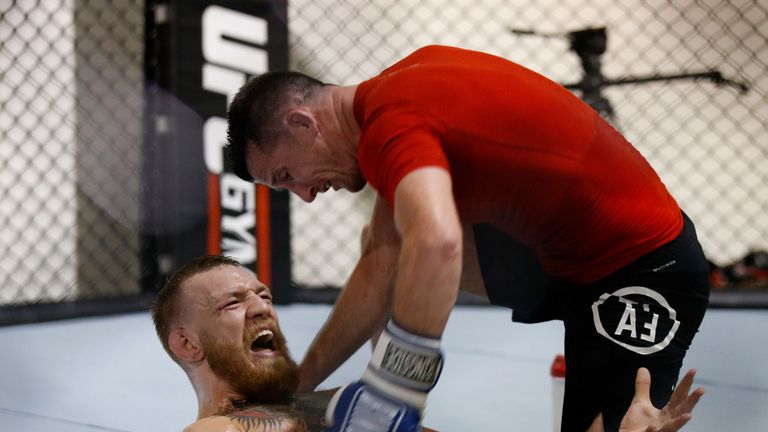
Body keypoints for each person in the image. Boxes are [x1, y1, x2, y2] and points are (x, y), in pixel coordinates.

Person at [225, 45, 710, 432]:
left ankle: (391, 407)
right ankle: (396, 425)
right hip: (560, 260)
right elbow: (381, 262)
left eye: (287, 174)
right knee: (382, 243)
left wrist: (394, 387)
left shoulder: (391, 128)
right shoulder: (394, 91)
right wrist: (294, 388)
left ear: (302, 123)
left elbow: (438, 244)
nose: (305, 195)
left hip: (645, 269)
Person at [152, 255, 703, 432]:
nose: (261, 305)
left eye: (264, 293)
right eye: (232, 303)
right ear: (187, 344)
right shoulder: (217, 428)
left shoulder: (339, 402)